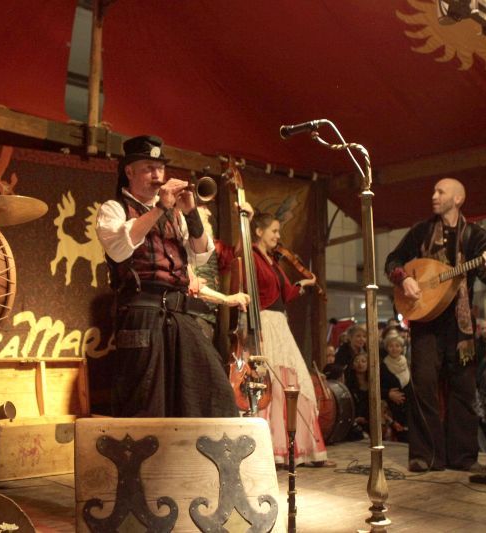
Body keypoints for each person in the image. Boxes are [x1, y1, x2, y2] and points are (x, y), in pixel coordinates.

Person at [96, 135, 247, 418]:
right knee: (146, 400)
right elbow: (119, 248)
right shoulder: (113, 209)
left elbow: (201, 254)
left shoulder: (175, 214)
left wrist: (190, 212)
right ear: (129, 171)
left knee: (210, 391)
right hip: (141, 311)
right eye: (149, 169)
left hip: (178, 313)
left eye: (160, 168)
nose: (157, 175)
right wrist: (160, 208)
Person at [384, 177, 486, 472]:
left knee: (463, 389)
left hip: (460, 327)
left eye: (441, 191)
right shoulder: (422, 231)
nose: (434, 195)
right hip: (425, 321)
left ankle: (463, 457)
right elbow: (393, 260)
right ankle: (425, 456)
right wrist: (405, 278)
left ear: (458, 199)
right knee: (423, 386)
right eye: (434, 191)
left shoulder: (476, 235)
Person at [249, 211, 327, 466]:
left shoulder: (272, 261)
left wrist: (303, 284)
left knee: (293, 382)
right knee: (271, 384)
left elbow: (286, 295)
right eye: (274, 231)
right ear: (259, 231)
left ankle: (297, 448)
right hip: (264, 322)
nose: (278, 236)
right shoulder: (251, 257)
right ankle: (272, 449)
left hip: (279, 324)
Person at [380, 333, 411, 442]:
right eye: (391, 346)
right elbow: (377, 388)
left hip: (408, 408)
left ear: (402, 348)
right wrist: (388, 393)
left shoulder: (407, 363)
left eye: (397, 346)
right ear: (387, 348)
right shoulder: (382, 366)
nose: (394, 349)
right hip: (392, 409)